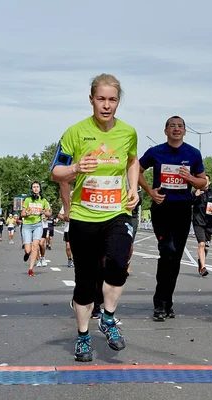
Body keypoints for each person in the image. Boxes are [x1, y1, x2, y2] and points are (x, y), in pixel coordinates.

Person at [51, 73, 139, 362]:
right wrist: (76, 167)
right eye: (101, 99)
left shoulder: (128, 133)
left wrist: (133, 188)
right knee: (85, 283)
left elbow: (132, 160)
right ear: (91, 100)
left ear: (118, 102)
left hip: (117, 213)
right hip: (84, 217)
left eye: (112, 100)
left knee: (117, 264)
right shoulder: (74, 133)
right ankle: (83, 336)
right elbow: (56, 173)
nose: (106, 105)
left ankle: (109, 318)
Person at [138, 115, 207, 322]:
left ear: (185, 131)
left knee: (175, 258)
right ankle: (159, 303)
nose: (176, 129)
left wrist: (190, 179)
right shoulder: (155, 152)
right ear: (165, 130)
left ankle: (167, 302)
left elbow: (203, 182)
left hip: (183, 209)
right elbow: (135, 170)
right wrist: (150, 192)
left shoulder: (193, 153)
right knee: (166, 251)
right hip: (162, 208)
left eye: (180, 126)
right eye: (172, 126)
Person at [192, 174, 212, 277]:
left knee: (206, 246)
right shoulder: (196, 193)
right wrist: (195, 196)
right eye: (202, 180)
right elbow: (188, 203)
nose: (204, 182)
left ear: (209, 182)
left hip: (209, 223)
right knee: (201, 244)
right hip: (198, 222)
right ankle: (203, 267)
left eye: (206, 180)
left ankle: (200, 263)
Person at [21, 181, 51, 276]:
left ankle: (30, 269)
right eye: (34, 187)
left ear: (40, 188)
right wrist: (28, 213)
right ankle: (27, 253)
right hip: (27, 226)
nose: (36, 188)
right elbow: (22, 214)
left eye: (37, 187)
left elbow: (49, 213)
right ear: (31, 189)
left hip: (38, 225)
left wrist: (43, 212)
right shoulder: (28, 200)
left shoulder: (43, 200)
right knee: (28, 250)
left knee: (35, 246)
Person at [58, 203, 73, 268]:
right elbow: (59, 215)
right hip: (67, 229)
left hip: (79, 229)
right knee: (68, 246)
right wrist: (65, 218)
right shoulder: (66, 205)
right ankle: (69, 259)